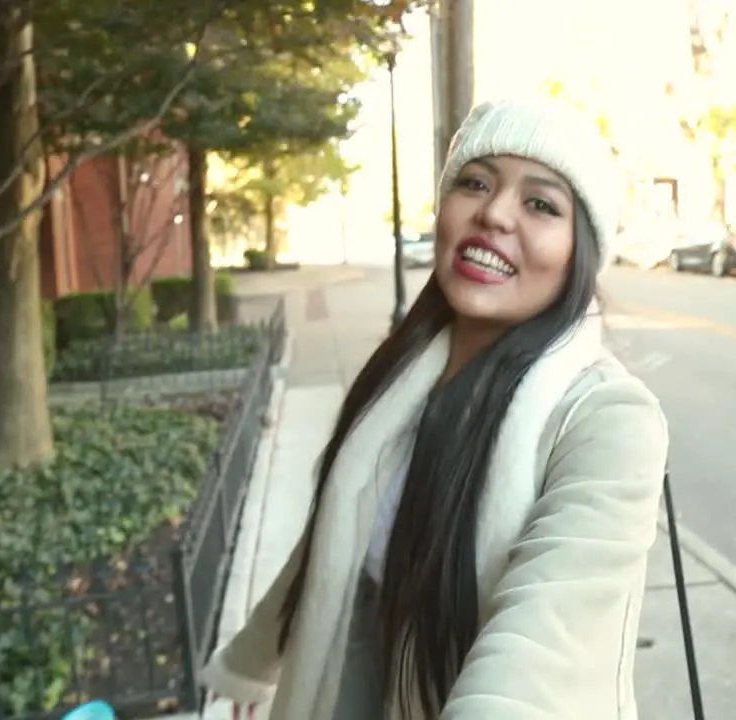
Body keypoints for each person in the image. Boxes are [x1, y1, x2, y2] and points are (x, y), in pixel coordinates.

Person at [200, 97, 670, 719]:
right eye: (475, 183)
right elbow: (329, 548)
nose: (494, 214)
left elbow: (537, 640)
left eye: (540, 204)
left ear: (579, 255)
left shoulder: (610, 421)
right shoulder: (399, 380)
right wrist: (248, 667)